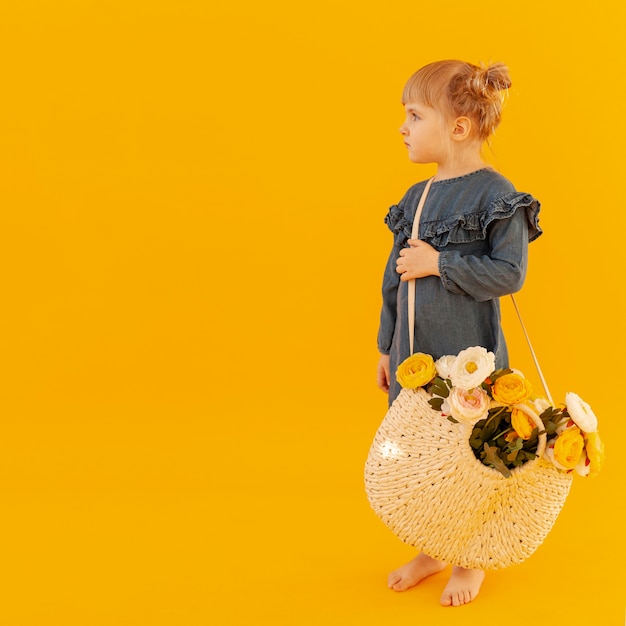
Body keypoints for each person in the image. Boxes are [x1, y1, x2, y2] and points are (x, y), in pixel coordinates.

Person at [375, 60, 542, 607]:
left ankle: (470, 557)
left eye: (414, 114)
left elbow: (509, 273)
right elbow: (392, 279)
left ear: (458, 127)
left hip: (469, 362)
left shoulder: (495, 194)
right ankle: (431, 546)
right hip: (414, 360)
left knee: (470, 459)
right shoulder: (416, 197)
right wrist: (384, 345)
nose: (403, 126)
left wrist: (440, 264)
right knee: (420, 460)